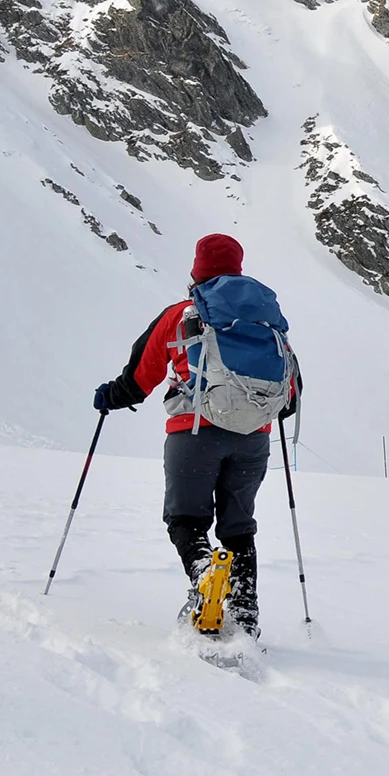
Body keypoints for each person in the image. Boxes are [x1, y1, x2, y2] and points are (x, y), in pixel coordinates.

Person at [93, 233, 296, 638]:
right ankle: (244, 612)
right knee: (239, 526)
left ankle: (205, 574)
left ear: (196, 271)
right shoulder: (265, 321)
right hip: (253, 439)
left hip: (194, 433)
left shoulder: (181, 315)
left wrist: (109, 397)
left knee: (186, 520)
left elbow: (138, 378)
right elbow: (290, 395)